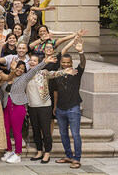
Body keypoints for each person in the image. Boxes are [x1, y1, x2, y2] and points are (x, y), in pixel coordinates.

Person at [52, 39, 86, 169]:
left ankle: (77, 159)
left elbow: (83, 63)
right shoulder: (57, 74)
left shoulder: (76, 73)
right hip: (60, 109)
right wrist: (55, 106)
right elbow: (55, 91)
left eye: (68, 63)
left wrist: (81, 52)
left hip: (73, 108)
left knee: (75, 134)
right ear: (61, 63)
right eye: (64, 62)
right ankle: (68, 156)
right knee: (63, 134)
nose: (66, 65)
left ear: (71, 63)